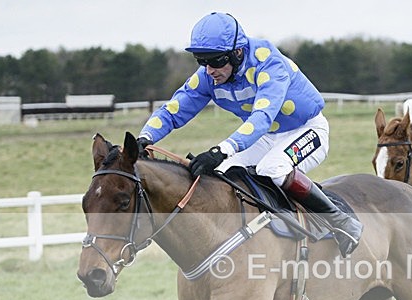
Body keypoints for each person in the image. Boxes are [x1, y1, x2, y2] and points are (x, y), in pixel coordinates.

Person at [137, 12, 362, 256]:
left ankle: (341, 220)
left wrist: (221, 150)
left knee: (272, 169)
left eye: (216, 60)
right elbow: (173, 110)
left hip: (307, 129)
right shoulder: (209, 76)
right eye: (202, 61)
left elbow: (262, 118)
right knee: (221, 173)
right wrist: (145, 138)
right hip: (264, 137)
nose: (210, 70)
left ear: (238, 53)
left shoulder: (269, 64)